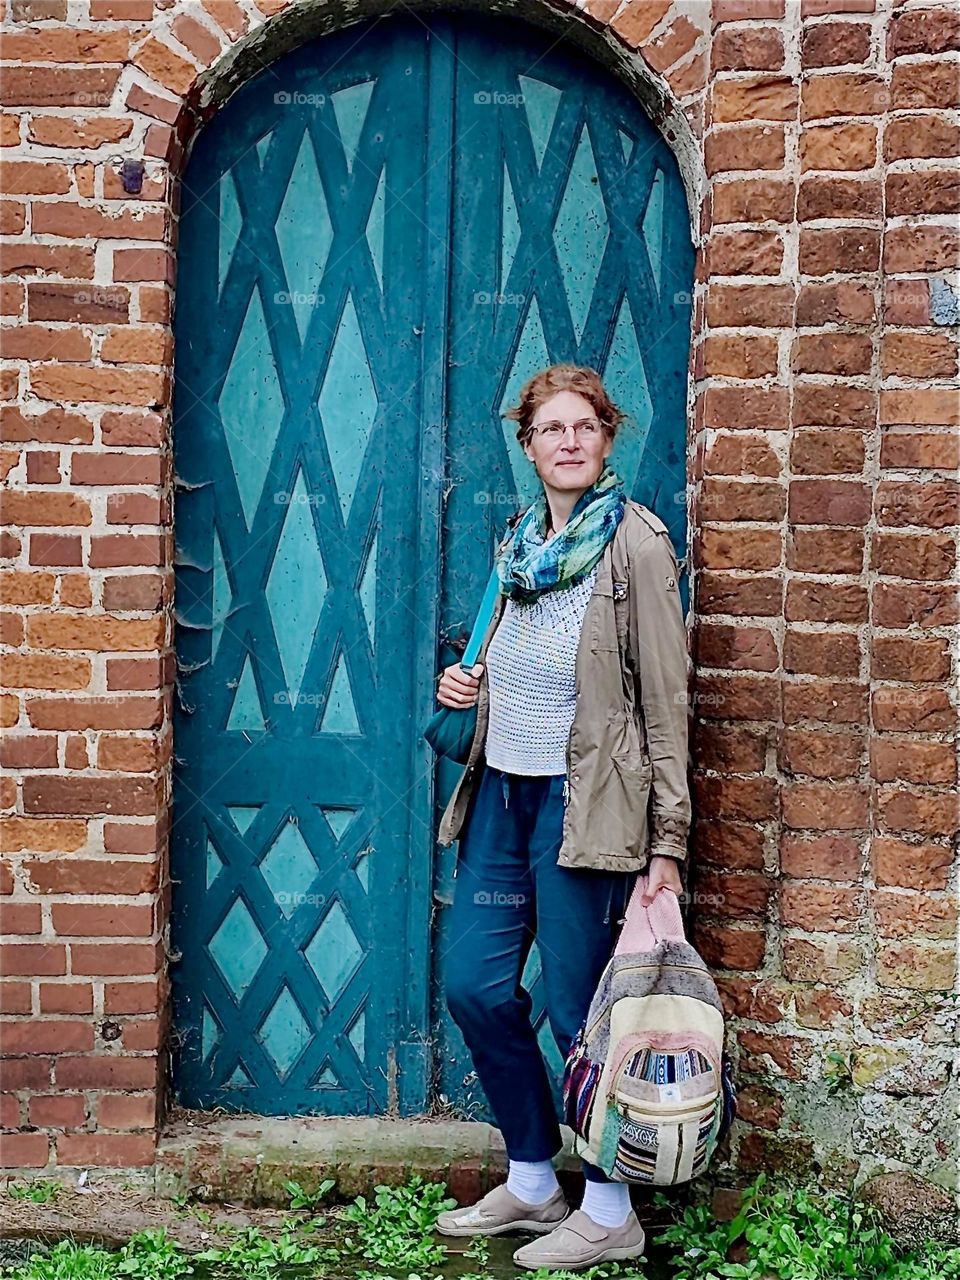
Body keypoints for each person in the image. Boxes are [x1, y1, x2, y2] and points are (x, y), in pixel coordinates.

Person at [431, 364, 692, 1270]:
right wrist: (466, 685)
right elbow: (501, 662)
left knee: (586, 1010)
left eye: (585, 426)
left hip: (589, 812)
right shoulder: (516, 547)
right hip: (502, 797)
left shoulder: (638, 545)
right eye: (551, 428)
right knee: (474, 986)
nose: (569, 441)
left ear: (608, 438)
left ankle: (611, 1210)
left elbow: (668, 703)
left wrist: (667, 844)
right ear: (529, 445)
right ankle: (535, 1179)